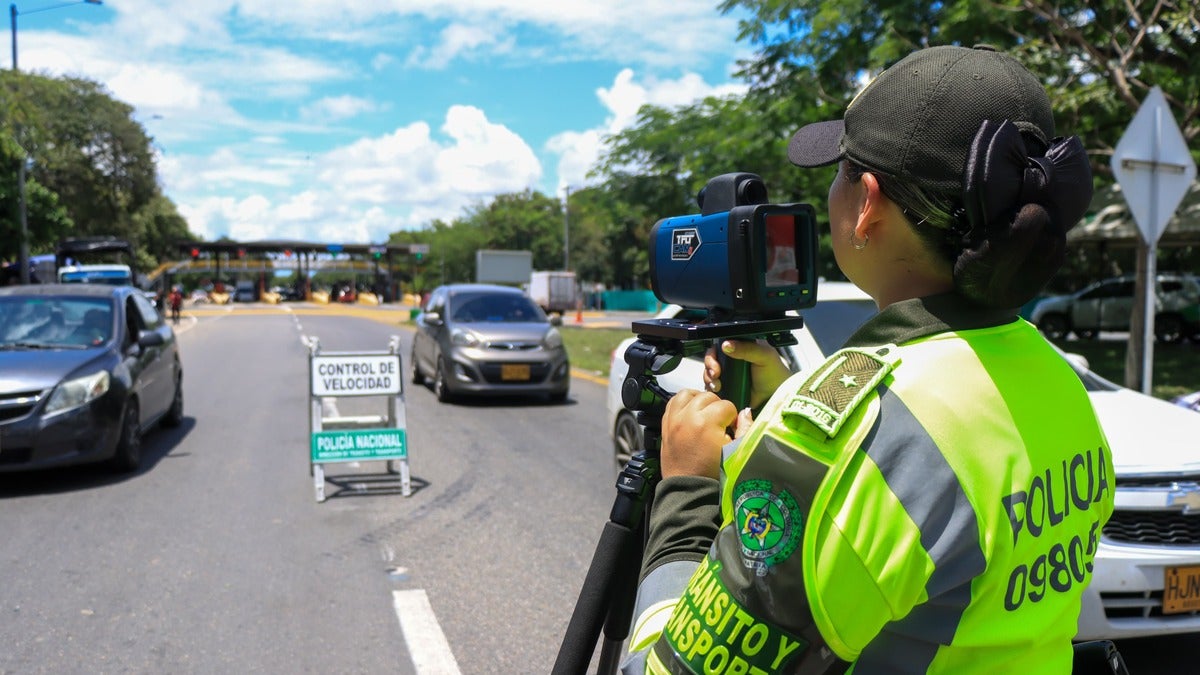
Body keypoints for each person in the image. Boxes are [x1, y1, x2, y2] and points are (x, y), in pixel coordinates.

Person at [623, 45, 1115, 674]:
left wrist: (687, 491)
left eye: (839, 171)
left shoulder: (848, 436)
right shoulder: (1054, 378)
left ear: (868, 206)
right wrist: (789, 405)